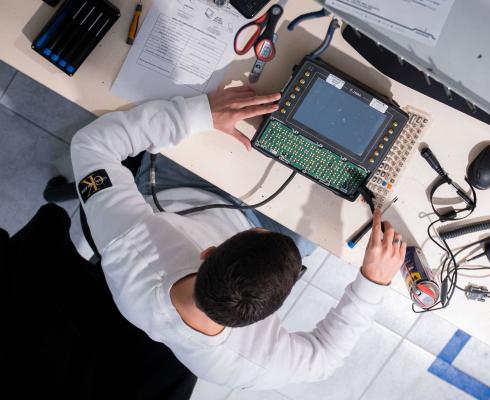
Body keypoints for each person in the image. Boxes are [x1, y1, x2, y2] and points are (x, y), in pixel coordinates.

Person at [71, 85, 407, 390]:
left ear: (208, 252)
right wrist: (371, 283)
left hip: (179, 189)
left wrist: (200, 113)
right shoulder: (250, 366)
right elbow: (325, 359)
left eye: (252, 232)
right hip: (267, 229)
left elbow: (90, 145)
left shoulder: (129, 246)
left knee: (223, 91)